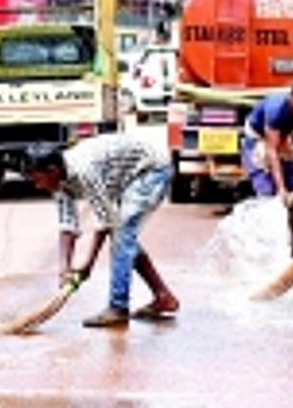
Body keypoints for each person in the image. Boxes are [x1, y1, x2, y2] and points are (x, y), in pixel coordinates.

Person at [23, 134, 179, 329]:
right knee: (124, 238)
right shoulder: (59, 180)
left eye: (38, 180)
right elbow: (67, 225)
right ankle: (163, 296)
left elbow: (106, 221)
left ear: (52, 171)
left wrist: (88, 264)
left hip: (151, 169)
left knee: (121, 236)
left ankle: (118, 307)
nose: (37, 186)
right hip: (126, 174)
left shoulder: (84, 171)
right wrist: (64, 268)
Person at [241, 75, 293, 256]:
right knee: (268, 195)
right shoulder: (277, 108)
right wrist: (281, 188)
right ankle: (263, 248)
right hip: (259, 139)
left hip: (284, 139)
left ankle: (290, 246)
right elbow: (272, 151)